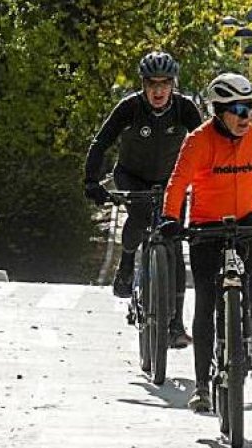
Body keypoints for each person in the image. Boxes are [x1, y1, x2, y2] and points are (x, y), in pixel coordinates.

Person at [159, 73, 252, 412]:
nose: (245, 116)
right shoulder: (198, 141)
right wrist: (170, 219)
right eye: (237, 108)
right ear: (218, 111)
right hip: (206, 225)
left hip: (245, 218)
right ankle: (202, 386)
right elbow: (177, 183)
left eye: (249, 107)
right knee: (205, 302)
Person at [83, 51, 202, 349]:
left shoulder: (185, 109)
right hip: (131, 175)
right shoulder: (130, 107)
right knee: (138, 218)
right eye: (152, 84)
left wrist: (205, 185)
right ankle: (125, 266)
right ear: (144, 85)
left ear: (173, 84)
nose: (158, 91)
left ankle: (175, 325)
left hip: (171, 181)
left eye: (164, 84)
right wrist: (91, 181)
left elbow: (205, 145)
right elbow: (101, 142)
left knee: (174, 243)